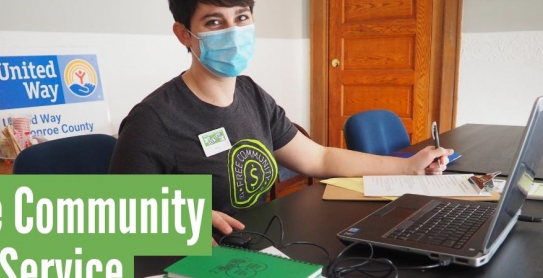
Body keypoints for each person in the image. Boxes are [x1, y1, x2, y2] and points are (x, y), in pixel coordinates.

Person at [109, 0, 453, 245]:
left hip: (257, 248)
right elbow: (115, 217)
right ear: (184, 34)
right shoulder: (153, 121)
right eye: (214, 22)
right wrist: (180, 220)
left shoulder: (251, 95)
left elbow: (318, 158)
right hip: (190, 267)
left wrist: (408, 167)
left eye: (241, 17)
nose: (233, 32)